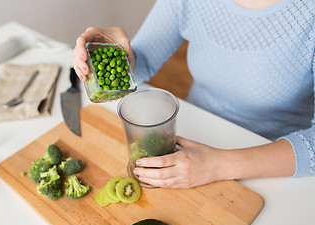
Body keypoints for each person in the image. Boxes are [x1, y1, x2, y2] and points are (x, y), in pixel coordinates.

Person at [73, 0, 315, 188]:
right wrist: (117, 56)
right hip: (193, 141)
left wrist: (217, 165)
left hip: (274, 162)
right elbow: (143, 63)